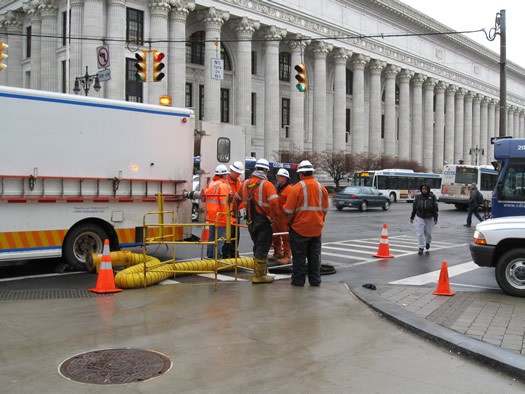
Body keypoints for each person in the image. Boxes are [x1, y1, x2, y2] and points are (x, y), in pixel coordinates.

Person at [284, 160, 329, 286]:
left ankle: (298, 281)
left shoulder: (296, 188)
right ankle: (315, 280)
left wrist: (289, 224)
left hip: (299, 229)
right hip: (316, 229)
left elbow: (288, 211)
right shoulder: (322, 189)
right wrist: (319, 220)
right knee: (314, 257)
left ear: (301, 174)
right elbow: (325, 209)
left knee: (299, 257)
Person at [235, 158, 279, 284]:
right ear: (266, 171)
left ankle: (261, 272)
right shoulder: (267, 185)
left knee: (257, 246)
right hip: (264, 221)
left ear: (255, 169)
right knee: (263, 247)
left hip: (251, 221)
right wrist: (274, 217)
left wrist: (234, 213)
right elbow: (274, 202)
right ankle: (259, 276)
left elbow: (236, 199)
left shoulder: (245, 183)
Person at [203, 165, 231, 259]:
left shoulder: (211, 184)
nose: (227, 176)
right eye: (226, 174)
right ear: (223, 175)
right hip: (221, 218)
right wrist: (228, 216)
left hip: (211, 217)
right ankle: (217, 259)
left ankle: (210, 257)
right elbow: (224, 203)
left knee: (211, 239)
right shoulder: (222, 186)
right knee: (219, 240)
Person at [269, 168, 292, 265]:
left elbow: (290, 203)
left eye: (280, 177)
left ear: (285, 178)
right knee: (276, 236)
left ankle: (287, 256)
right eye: (277, 176)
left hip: (284, 218)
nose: (278, 178)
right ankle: (277, 253)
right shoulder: (277, 188)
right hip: (276, 218)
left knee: (285, 237)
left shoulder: (289, 189)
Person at [222, 161, 244, 258]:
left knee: (236, 234)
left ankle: (234, 252)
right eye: (237, 173)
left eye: (239, 173)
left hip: (236, 210)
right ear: (231, 171)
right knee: (229, 234)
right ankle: (227, 254)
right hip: (228, 211)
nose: (238, 175)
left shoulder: (239, 180)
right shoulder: (226, 182)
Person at [410, 184, 439, 255]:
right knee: (420, 233)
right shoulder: (418, 197)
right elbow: (414, 207)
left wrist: (435, 218)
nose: (424, 190)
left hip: (429, 217)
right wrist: (412, 217)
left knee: (428, 233)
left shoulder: (432, 197)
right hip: (420, 216)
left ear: (428, 190)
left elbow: (435, 208)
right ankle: (421, 247)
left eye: (425, 189)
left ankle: (427, 242)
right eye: (423, 189)